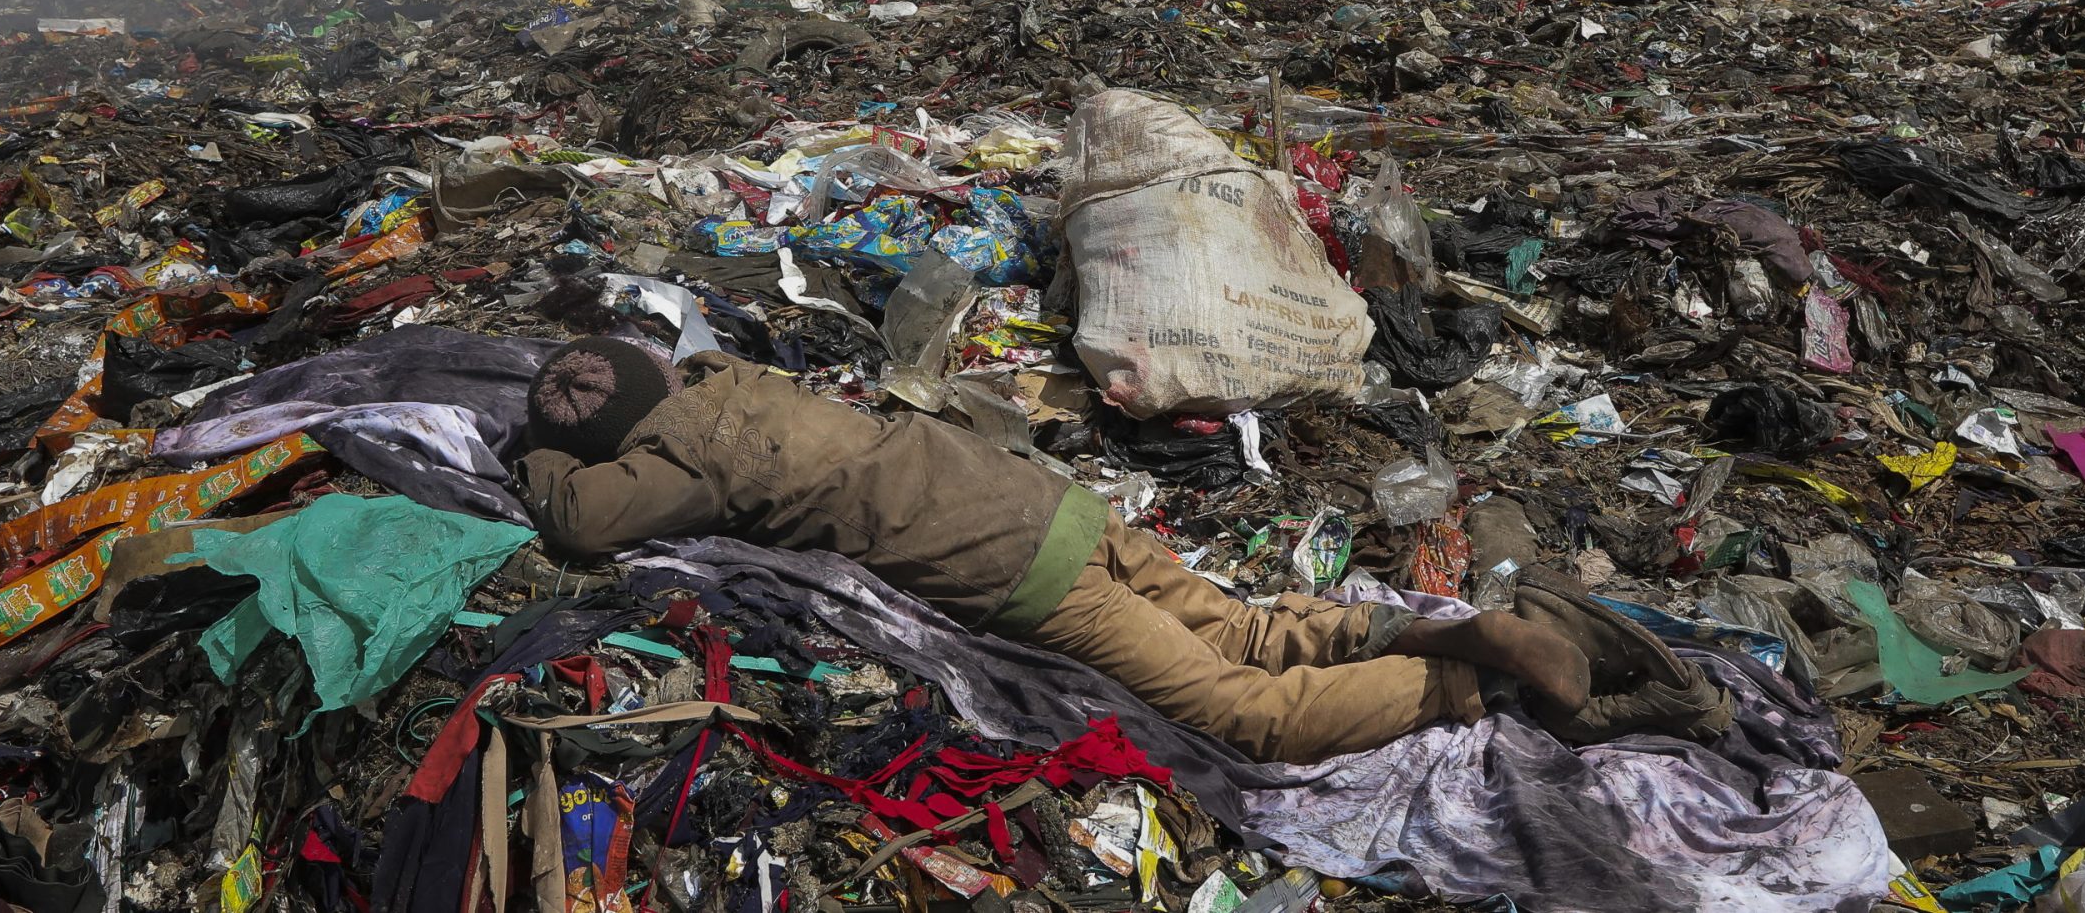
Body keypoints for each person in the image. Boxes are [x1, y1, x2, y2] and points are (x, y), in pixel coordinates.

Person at [519, 337, 1722, 764]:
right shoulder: (744, 381)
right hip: (1056, 508)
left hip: (1013, 575)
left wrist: (539, 457)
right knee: (1247, 625)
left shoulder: (686, 465)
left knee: (1248, 714)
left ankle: (1468, 672)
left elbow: (575, 522)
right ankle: (1418, 626)